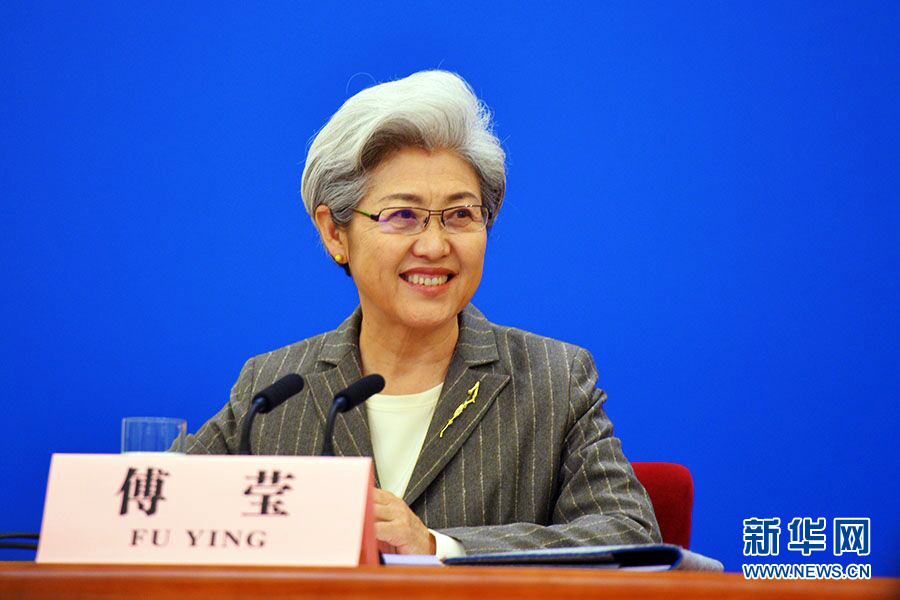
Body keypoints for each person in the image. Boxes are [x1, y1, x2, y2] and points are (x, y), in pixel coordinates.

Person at [185, 70, 661, 558]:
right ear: (334, 233)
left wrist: (439, 547)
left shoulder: (553, 380)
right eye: (402, 215)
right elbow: (156, 510)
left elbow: (630, 535)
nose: (434, 246)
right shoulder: (274, 389)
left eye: (460, 215)